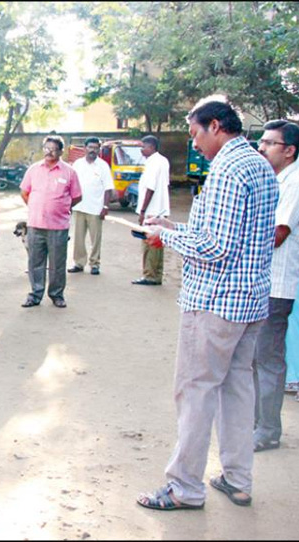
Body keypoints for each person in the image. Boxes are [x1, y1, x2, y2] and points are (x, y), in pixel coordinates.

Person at [137, 98, 278, 511]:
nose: (193, 143)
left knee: (196, 391)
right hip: (248, 302)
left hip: (216, 302)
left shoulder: (229, 169)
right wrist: (174, 226)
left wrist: (166, 238)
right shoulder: (258, 165)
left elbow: (215, 247)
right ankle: (237, 478)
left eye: (195, 132)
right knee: (236, 390)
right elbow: (225, 231)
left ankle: (185, 487)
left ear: (216, 125)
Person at [251, 119, 299, 452]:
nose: (262, 147)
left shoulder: (294, 182)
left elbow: (278, 234)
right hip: (265, 281)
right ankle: (258, 422)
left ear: (290, 150)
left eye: (269, 143)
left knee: (267, 358)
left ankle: (267, 429)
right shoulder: (277, 178)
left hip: (277, 285)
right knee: (257, 357)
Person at [19, 135, 82, 309]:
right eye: (46, 148)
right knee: (35, 262)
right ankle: (35, 294)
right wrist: (36, 207)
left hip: (58, 226)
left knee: (57, 263)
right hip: (35, 224)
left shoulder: (69, 172)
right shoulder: (33, 169)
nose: (49, 152)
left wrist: (61, 208)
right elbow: (25, 192)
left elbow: (77, 196)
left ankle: (56, 294)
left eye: (53, 149)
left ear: (61, 151)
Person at [68, 137, 113, 275]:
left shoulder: (103, 166)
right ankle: (79, 263)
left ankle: (95, 264)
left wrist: (105, 207)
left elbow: (108, 188)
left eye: (96, 148)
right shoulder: (77, 164)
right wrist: (69, 204)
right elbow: (71, 185)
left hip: (96, 208)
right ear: (84, 148)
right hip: (79, 207)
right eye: (90, 147)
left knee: (95, 238)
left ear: (99, 149)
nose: (93, 150)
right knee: (78, 238)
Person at [132, 135, 171, 286]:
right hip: (159, 208)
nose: (142, 150)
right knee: (157, 244)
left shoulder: (154, 162)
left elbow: (150, 187)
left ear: (152, 147)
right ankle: (156, 274)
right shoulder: (162, 161)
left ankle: (150, 275)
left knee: (150, 244)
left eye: (144, 147)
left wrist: (142, 210)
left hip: (152, 210)